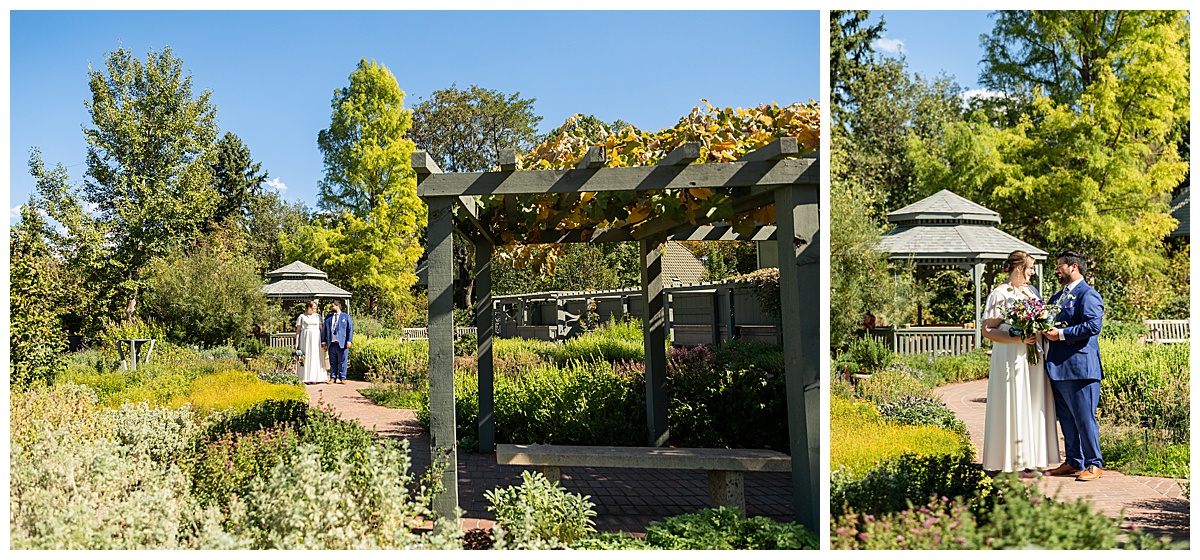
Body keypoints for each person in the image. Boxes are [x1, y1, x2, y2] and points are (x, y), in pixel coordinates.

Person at [979, 250, 1060, 475]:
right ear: (1018, 268)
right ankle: (1008, 460)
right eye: (1030, 268)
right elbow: (987, 330)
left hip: (1032, 357)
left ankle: (1030, 460)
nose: (1032, 273)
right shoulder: (999, 294)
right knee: (1012, 402)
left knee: (1032, 403)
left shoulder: (1030, 291)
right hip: (1010, 356)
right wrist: (1016, 337)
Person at [1042, 250, 1105, 481]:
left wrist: (1060, 334)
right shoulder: (1057, 296)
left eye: (1060, 266)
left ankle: (1094, 464)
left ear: (1074, 267)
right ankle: (1073, 461)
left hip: (1081, 370)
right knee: (1067, 419)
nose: (1057, 269)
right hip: (1058, 368)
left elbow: (1092, 326)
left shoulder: (1088, 294)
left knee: (1084, 418)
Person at [294, 301, 327, 384]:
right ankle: (306, 377)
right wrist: (296, 342)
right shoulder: (302, 317)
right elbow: (298, 331)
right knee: (306, 357)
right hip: (305, 339)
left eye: (316, 307)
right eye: (313, 307)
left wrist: (323, 340)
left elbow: (321, 329)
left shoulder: (318, 317)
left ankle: (315, 377)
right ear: (308, 307)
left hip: (316, 339)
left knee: (315, 356)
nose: (315, 309)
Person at [321, 301, 354, 384]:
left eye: (333, 306)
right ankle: (332, 378)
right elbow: (324, 330)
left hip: (342, 343)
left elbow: (350, 329)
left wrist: (349, 341)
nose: (331, 308)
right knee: (332, 362)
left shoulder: (346, 317)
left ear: (338, 306)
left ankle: (343, 378)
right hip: (332, 343)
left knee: (342, 361)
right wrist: (323, 341)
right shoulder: (328, 318)